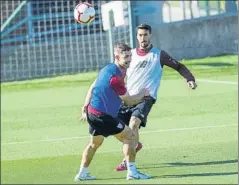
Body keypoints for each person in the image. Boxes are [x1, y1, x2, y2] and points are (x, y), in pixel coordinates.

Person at [115, 23, 197, 171]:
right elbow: (119, 73)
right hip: (129, 97)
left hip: (146, 98)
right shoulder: (130, 55)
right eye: (140, 35)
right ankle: (135, 144)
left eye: (145, 35)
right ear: (137, 36)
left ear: (150, 35)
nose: (142, 38)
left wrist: (190, 79)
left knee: (134, 124)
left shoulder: (159, 55)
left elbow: (179, 66)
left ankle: (127, 161)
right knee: (116, 127)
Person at [75, 43, 151, 181]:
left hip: (92, 112)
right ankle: (132, 172)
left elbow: (93, 86)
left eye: (130, 56)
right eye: (125, 56)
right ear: (117, 56)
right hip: (103, 116)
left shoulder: (107, 68)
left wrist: (85, 106)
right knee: (130, 136)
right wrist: (142, 94)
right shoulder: (115, 79)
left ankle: (82, 174)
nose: (129, 59)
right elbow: (129, 101)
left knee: (94, 144)